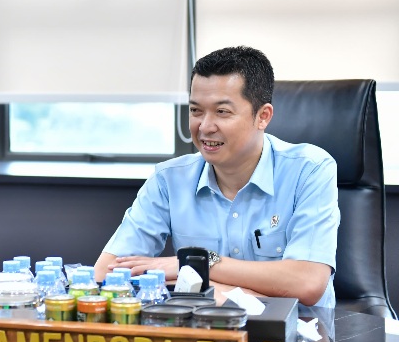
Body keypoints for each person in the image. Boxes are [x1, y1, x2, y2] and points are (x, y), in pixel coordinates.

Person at [95, 46, 340, 307]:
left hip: (298, 327)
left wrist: (194, 265)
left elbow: (307, 283)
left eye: (222, 112)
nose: (204, 126)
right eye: (196, 111)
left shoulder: (309, 170)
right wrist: (222, 288)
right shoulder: (169, 179)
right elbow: (106, 274)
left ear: (263, 116)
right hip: (204, 328)